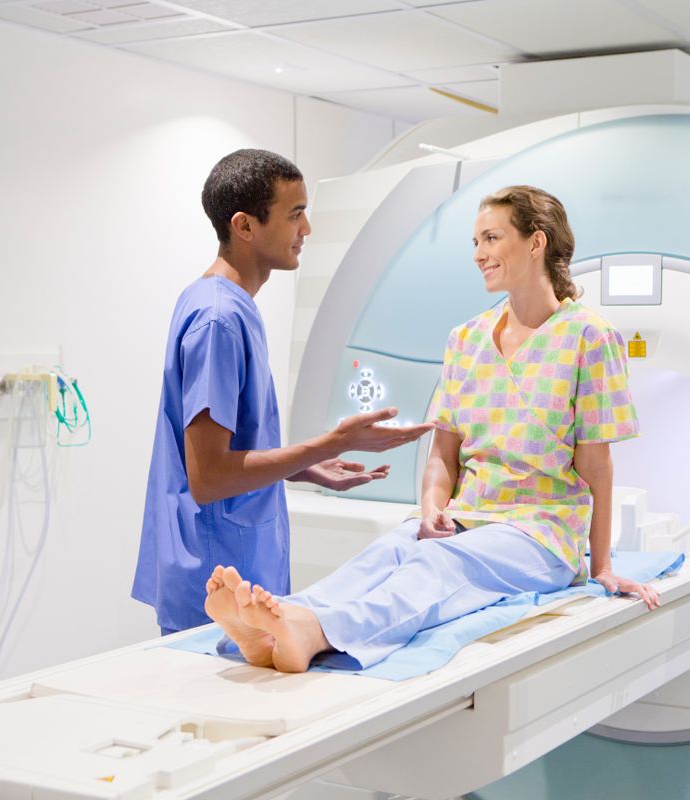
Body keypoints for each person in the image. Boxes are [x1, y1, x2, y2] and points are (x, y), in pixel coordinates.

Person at [204, 184, 658, 673]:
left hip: (540, 531)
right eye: (475, 243)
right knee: (390, 550)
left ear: (536, 242)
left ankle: (315, 633)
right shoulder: (466, 340)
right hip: (468, 516)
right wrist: (430, 511)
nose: (479, 254)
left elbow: (597, 466)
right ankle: (285, 619)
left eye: (491, 239)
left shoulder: (589, 337)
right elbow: (444, 455)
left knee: (435, 563)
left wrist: (602, 565)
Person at [133, 149, 433, 634]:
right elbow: (208, 475)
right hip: (218, 580)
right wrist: (334, 442)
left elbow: (228, 450)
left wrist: (304, 464)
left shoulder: (224, 304)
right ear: (245, 226)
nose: (307, 229)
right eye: (295, 214)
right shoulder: (218, 319)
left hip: (229, 568)